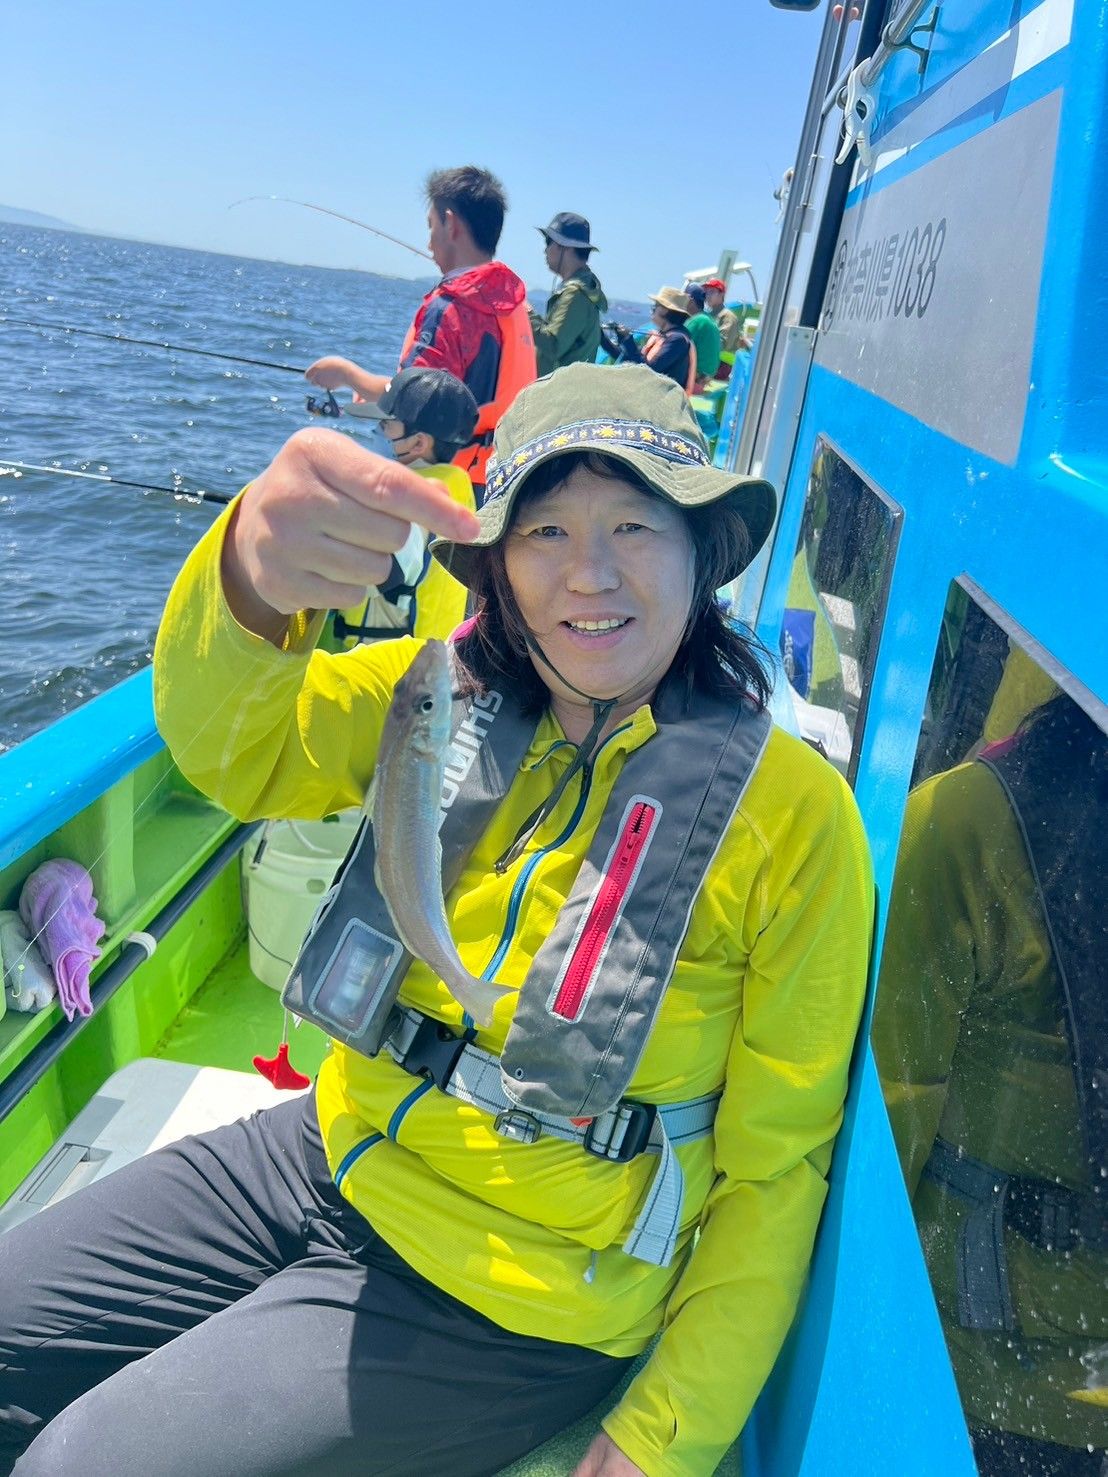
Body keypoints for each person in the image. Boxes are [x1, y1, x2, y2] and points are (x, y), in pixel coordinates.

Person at [0, 363, 873, 1477]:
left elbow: (775, 1171)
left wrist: (665, 1430)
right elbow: (237, 749)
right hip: (322, 1151)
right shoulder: (437, 697)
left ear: (704, 551)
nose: (590, 572)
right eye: (545, 530)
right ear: (497, 565)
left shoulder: (795, 819)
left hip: (518, 1292)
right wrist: (249, 584)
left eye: (635, 524)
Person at [873, 693, 1108, 1475]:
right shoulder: (968, 821)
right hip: (992, 1377)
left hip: (968, 1376)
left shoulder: (967, 820)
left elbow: (881, 1130)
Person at [304, 166, 536, 501]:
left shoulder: (452, 307)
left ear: (450, 223)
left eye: (431, 226)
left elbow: (414, 405)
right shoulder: (513, 305)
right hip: (496, 479)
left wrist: (346, 374)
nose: (428, 243)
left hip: (440, 482)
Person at [328, 367, 479, 648]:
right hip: (420, 659)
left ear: (418, 443)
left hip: (384, 663)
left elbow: (369, 574)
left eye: (386, 425)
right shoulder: (453, 490)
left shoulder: (416, 501)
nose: (377, 431)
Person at [529, 213, 608, 375]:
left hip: (559, 389)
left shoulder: (575, 294)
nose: (545, 250)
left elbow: (553, 345)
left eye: (548, 242)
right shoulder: (584, 289)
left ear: (565, 247)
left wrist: (527, 314)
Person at [600, 287, 697, 393]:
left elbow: (648, 371)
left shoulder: (677, 340)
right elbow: (630, 359)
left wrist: (628, 340)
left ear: (664, 310)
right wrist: (602, 337)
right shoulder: (666, 335)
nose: (652, 310)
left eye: (655, 306)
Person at [681, 285, 722, 390]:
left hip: (695, 380)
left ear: (690, 300)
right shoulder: (708, 318)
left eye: (683, 298)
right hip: (705, 378)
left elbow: (679, 345)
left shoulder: (696, 321)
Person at [703, 278, 744, 355]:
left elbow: (723, 344)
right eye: (706, 292)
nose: (708, 295)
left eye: (712, 292)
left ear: (721, 294)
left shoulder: (728, 316)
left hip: (723, 362)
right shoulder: (709, 315)